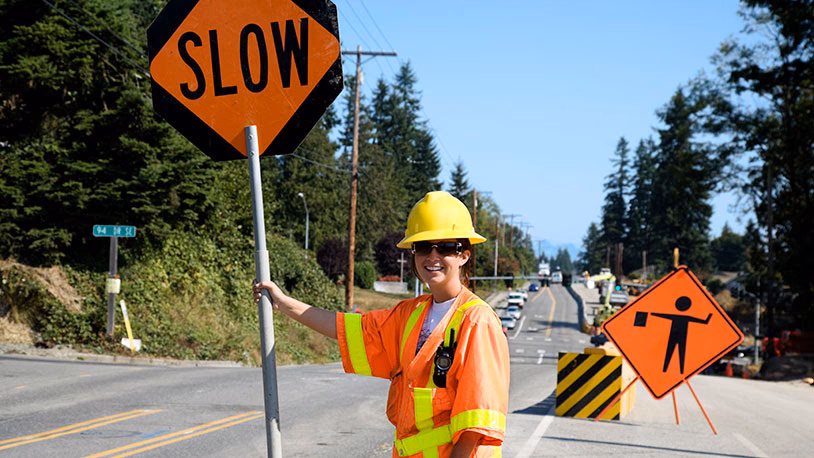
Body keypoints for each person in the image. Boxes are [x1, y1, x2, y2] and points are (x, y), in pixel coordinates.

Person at [254, 191, 510, 458]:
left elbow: (474, 428)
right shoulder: (409, 315)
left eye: (445, 247)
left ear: (464, 255)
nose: (433, 256)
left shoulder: (478, 322)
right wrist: (283, 303)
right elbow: (346, 329)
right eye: (423, 247)